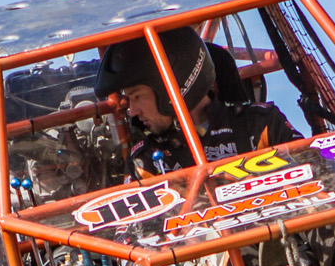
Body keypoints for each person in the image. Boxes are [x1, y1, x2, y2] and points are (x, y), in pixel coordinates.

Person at [94, 27, 300, 174]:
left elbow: (321, 178)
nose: (132, 111)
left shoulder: (261, 124)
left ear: (173, 86)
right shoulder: (148, 160)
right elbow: (130, 232)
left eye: (137, 96)